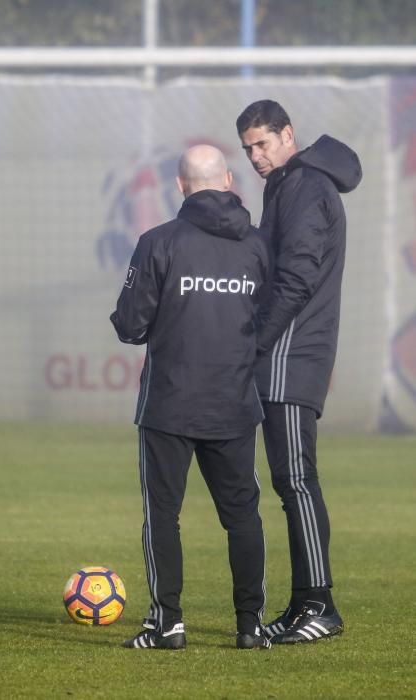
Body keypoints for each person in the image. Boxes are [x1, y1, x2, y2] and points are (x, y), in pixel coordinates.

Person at [110, 144, 271, 650]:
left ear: (179, 186)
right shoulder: (258, 246)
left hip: (170, 405)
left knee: (163, 513)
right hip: (234, 402)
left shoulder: (158, 241)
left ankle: (168, 624)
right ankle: (250, 626)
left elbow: (130, 325)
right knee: (242, 515)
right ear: (227, 180)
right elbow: (269, 316)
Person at [236, 100, 362, 644]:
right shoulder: (288, 183)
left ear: (288, 135)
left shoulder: (307, 185)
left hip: (291, 356)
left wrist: (257, 342)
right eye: (248, 149)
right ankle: (302, 603)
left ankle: (319, 605)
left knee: (296, 481)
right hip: (287, 353)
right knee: (290, 482)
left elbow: (297, 277)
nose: (256, 157)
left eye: (263, 143)